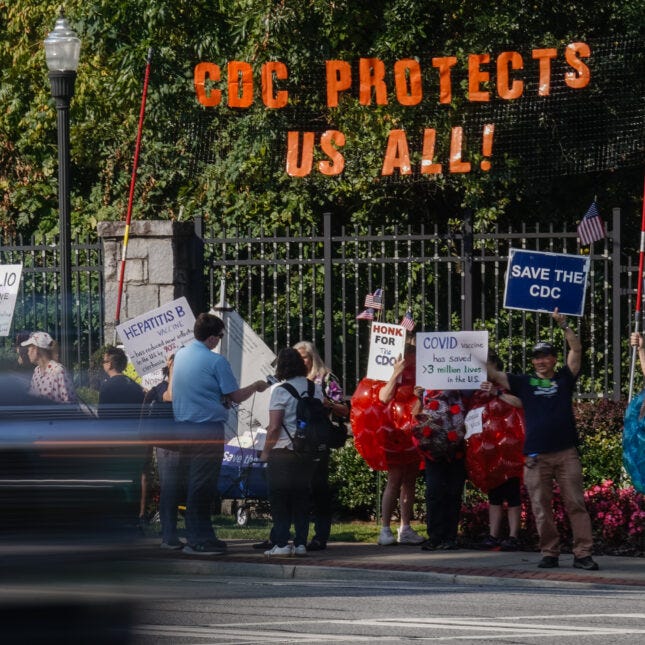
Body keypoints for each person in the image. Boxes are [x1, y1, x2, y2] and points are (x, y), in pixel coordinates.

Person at [487, 308, 599, 571]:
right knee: (540, 506)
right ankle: (550, 552)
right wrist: (475, 357)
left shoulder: (563, 379)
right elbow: (495, 376)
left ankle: (583, 553)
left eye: (545, 356)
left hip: (566, 453)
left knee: (576, 504)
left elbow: (577, 351)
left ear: (553, 359)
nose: (540, 361)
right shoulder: (524, 383)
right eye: (536, 357)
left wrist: (564, 325)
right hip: (536, 456)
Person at [171, 312, 269, 555]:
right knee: (202, 485)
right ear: (213, 338)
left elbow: (195, 387)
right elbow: (235, 396)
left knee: (194, 484)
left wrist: (215, 397)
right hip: (206, 429)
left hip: (183, 428)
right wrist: (256, 386)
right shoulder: (216, 361)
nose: (220, 340)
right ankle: (197, 539)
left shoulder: (181, 355)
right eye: (220, 336)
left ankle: (203, 534)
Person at [260, 347, 324, 557]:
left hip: (284, 450)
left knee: (280, 499)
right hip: (308, 451)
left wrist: (265, 452)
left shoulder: (280, 390)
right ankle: (300, 543)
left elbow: (274, 427)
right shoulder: (315, 389)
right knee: (301, 498)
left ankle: (280, 543)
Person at [474, 352, 524, 551]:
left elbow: (521, 403)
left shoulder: (509, 383)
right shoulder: (477, 387)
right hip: (487, 450)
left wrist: (497, 392)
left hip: (510, 449)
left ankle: (513, 536)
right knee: (494, 495)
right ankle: (493, 535)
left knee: (512, 494)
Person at [376, 350, 425, 547]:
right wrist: (396, 373)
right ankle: (385, 529)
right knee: (394, 479)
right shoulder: (385, 367)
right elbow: (384, 397)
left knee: (410, 480)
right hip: (394, 430)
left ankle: (405, 528)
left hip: (413, 429)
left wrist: (420, 397)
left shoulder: (419, 368)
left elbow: (417, 408)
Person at [412, 388, 466, 551]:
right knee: (434, 492)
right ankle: (434, 537)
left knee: (453, 492)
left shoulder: (462, 384)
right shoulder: (425, 388)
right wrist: (419, 399)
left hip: (456, 449)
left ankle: (450, 537)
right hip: (433, 450)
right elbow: (415, 416)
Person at [20, 331, 76, 403]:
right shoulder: (37, 371)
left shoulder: (58, 371)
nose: (27, 353)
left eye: (28, 349)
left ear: (35, 350)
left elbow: (70, 404)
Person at [98, 345, 145, 418]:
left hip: (115, 427)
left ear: (109, 364)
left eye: (103, 361)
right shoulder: (135, 385)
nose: (102, 364)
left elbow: (102, 414)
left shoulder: (107, 387)